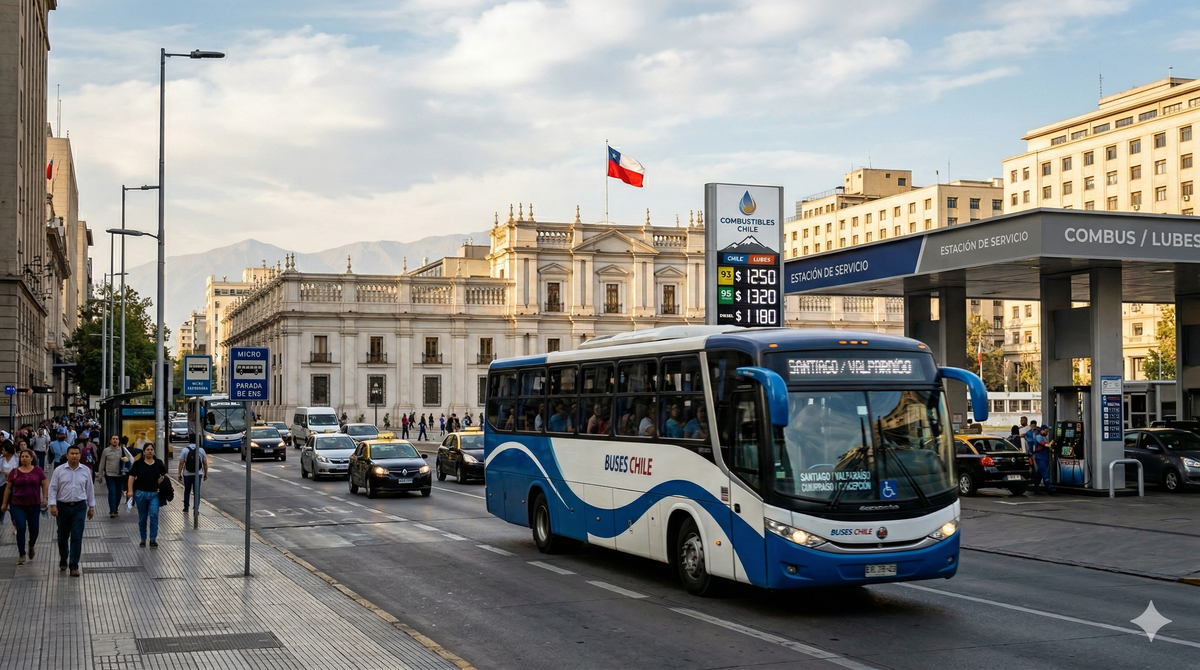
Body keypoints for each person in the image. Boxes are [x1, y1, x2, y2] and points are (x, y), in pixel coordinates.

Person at [48, 445, 95, 576]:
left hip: (79, 506)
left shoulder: (85, 470)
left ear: (80, 456)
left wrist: (91, 507)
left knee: (77, 535)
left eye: (76, 453)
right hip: (62, 506)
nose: (74, 456)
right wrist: (53, 505)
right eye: (72, 453)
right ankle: (64, 557)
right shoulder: (59, 470)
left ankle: (74, 565)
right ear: (67, 455)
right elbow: (53, 489)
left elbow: (89, 489)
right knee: (62, 536)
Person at [1, 449, 47, 565]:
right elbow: (8, 488)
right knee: (20, 528)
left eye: (27, 456)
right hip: (17, 505)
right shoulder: (15, 472)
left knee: (34, 530)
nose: (24, 458)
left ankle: (31, 545)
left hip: (34, 505)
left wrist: (45, 498)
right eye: (22, 457)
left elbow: (44, 484)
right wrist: (4, 503)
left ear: (32, 458)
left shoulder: (38, 470)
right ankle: (22, 553)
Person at [127, 444, 168, 548]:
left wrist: (162, 480)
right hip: (140, 493)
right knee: (142, 517)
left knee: (154, 515)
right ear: (144, 452)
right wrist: (130, 491)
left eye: (151, 449)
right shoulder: (138, 464)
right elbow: (131, 477)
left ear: (154, 451)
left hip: (154, 493)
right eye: (147, 449)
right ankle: (143, 538)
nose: (150, 451)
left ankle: (153, 538)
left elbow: (165, 475)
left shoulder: (158, 463)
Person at [96, 435, 127, 518]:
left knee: (118, 493)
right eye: (113, 439)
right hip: (109, 475)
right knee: (112, 492)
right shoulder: (106, 451)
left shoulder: (123, 450)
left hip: (120, 475)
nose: (115, 440)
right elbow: (102, 463)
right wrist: (100, 475)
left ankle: (116, 508)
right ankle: (112, 511)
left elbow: (130, 459)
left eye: (117, 439)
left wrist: (127, 465)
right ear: (110, 441)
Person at [177, 441, 209, 516]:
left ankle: (186, 508)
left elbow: (181, 463)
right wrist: (205, 473)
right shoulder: (201, 450)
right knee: (196, 492)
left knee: (187, 491)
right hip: (198, 474)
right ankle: (196, 509)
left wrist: (179, 473)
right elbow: (205, 463)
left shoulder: (185, 450)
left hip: (187, 474)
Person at [1030, 425, 1056, 495]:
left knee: (1040, 473)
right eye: (1046, 431)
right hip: (1040, 457)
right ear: (1042, 430)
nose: (1047, 433)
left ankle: (1036, 488)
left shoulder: (1044, 437)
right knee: (1044, 471)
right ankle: (1049, 487)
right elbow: (1044, 444)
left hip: (1045, 457)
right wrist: (1050, 444)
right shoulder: (1038, 437)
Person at [0, 441, 17, 523]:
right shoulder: (1, 460)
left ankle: (14, 522)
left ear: (8, 451)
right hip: (3, 483)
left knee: (13, 505)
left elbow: (16, 472)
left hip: (13, 484)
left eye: (3, 450)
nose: (2, 452)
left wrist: (5, 473)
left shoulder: (16, 460)